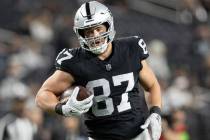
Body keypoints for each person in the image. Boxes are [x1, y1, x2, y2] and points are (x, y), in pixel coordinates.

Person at [35, 1, 162, 140]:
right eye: (89, 31)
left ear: (109, 25)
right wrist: (61, 108)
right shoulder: (74, 61)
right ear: (80, 33)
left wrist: (156, 113)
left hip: (138, 135)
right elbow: (42, 95)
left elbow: (152, 85)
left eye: (99, 28)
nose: (95, 35)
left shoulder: (131, 49)